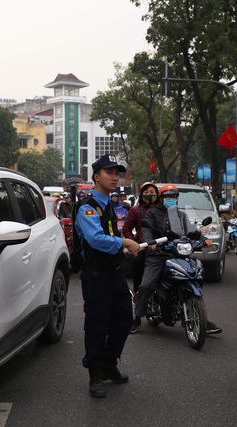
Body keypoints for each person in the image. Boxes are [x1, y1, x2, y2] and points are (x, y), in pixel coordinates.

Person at [74, 153, 141, 398]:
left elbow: (112, 238)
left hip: (115, 273)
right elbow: (95, 239)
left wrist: (127, 249)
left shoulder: (111, 206)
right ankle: (95, 374)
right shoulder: (88, 207)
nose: (115, 177)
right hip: (95, 276)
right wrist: (124, 241)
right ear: (96, 176)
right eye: (109, 172)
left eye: (117, 173)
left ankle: (109, 364)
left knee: (123, 320)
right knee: (97, 325)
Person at [131, 183, 222, 335]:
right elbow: (146, 229)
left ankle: (200, 318)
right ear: (161, 198)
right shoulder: (152, 213)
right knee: (146, 285)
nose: (171, 199)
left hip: (177, 253)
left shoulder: (181, 215)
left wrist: (203, 239)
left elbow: (191, 231)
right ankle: (137, 318)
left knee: (194, 273)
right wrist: (150, 243)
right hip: (158, 254)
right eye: (168, 196)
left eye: (173, 196)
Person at [122, 181, 159, 295]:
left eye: (152, 192)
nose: (149, 195)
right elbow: (126, 229)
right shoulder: (135, 210)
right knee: (138, 263)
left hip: (162, 246)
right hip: (142, 247)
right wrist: (134, 243)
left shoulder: (163, 209)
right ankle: (138, 293)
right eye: (146, 192)